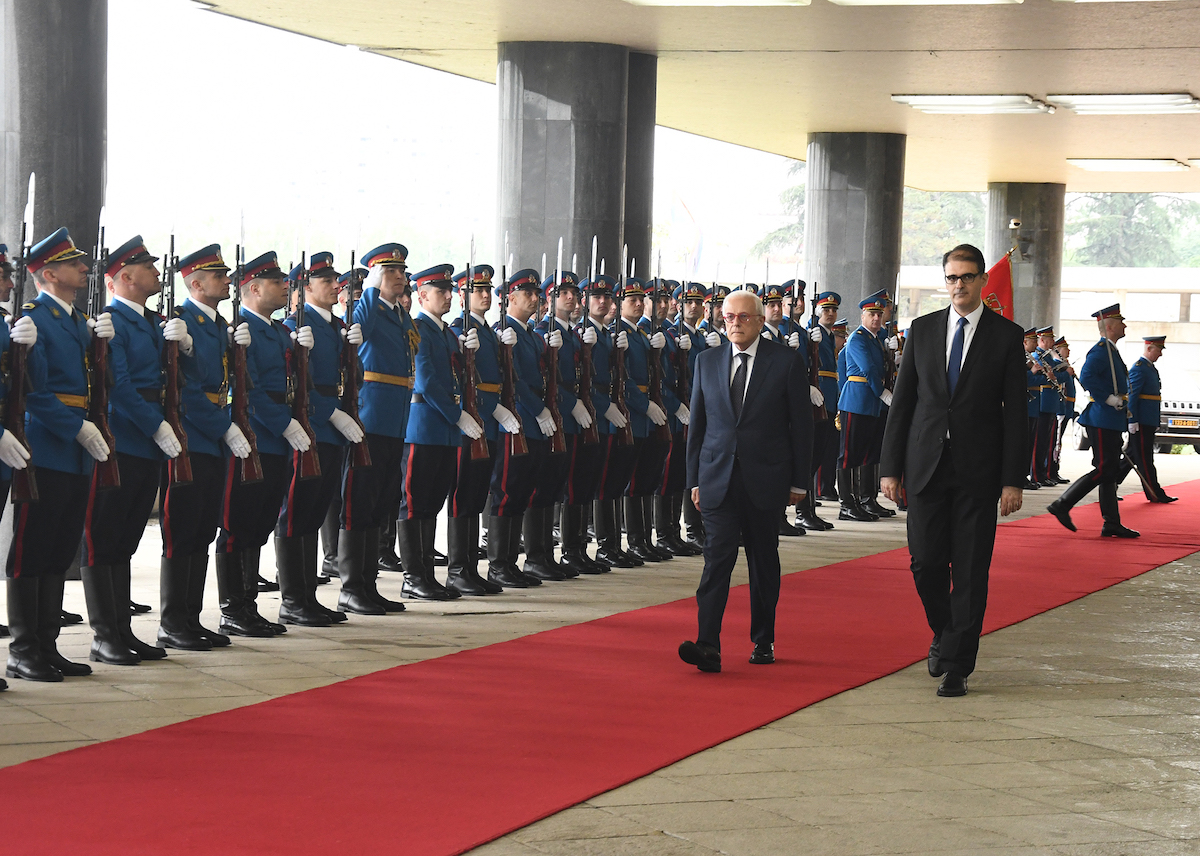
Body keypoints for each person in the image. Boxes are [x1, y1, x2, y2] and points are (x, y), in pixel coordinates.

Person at [880, 243, 1027, 698]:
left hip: (978, 473)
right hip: (925, 467)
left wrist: (1011, 479)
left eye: (966, 277)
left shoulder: (1006, 335)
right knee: (925, 564)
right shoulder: (922, 330)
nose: (958, 285)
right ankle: (945, 633)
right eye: (951, 277)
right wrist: (890, 468)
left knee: (968, 570)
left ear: (983, 280)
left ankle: (958, 666)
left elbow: (1016, 415)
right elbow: (903, 404)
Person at [678, 289, 812, 673]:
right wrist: (694, 482)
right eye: (728, 317)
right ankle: (707, 645)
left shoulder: (785, 362)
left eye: (742, 317)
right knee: (715, 563)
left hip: (766, 480)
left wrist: (799, 483)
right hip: (718, 479)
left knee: (763, 563)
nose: (734, 323)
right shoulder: (707, 361)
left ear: (757, 321)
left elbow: (801, 428)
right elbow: (698, 427)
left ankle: (763, 639)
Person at [7, 227, 114, 682]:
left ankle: (48, 643)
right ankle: (23, 648)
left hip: (75, 450)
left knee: (59, 548)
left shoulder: (75, 320)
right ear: (48, 273)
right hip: (48, 446)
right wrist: (78, 427)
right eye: (75, 265)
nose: (85, 269)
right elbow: (34, 392)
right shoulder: (35, 318)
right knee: (32, 548)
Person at [81, 236, 188, 666]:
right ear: (125, 277)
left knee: (125, 540)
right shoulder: (112, 321)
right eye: (149, 268)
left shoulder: (150, 321)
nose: (157, 273)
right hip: (121, 438)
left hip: (146, 441)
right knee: (102, 537)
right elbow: (119, 387)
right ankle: (104, 634)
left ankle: (122, 631)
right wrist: (156, 425)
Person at [215, 251, 314, 637]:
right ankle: (231, 608)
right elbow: (247, 390)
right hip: (253, 435)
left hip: (276, 437)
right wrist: (284, 424)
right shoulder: (242, 329)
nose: (285, 286)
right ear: (253, 288)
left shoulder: (275, 330)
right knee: (237, 523)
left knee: (259, 522)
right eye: (276, 282)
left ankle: (248, 605)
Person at [159, 245, 251, 651]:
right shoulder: (182, 322)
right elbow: (185, 390)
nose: (227, 281)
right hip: (191, 436)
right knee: (181, 531)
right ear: (195, 283)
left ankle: (191, 618)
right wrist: (223, 426)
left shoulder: (216, 325)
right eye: (218, 276)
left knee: (202, 531)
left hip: (213, 437)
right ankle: (172, 621)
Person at [274, 254, 363, 626]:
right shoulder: (297, 324)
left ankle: (308, 595)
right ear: (305, 287)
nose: (334, 285)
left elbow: (350, 378)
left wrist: (353, 351)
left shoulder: (337, 326)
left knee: (314, 511)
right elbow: (298, 383)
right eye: (325, 280)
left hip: (334, 427)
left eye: (334, 279)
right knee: (295, 512)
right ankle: (293, 598)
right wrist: (329, 412)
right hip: (310, 424)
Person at [336, 243, 414, 614]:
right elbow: (357, 324)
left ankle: (367, 584)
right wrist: (370, 287)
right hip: (370, 418)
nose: (399, 277)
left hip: (395, 419)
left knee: (381, 503)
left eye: (401, 272)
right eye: (391, 272)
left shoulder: (399, 315)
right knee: (359, 501)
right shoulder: (369, 307)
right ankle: (350, 587)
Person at [1047, 305, 1140, 539]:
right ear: (1109, 327)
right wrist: (1108, 398)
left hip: (1110, 419)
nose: (1125, 325)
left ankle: (1111, 522)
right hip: (1101, 418)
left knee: (1108, 471)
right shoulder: (1100, 351)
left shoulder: (1111, 351)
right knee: (1105, 468)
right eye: (1121, 322)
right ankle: (1063, 503)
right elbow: (1087, 376)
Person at [836, 292, 889, 522]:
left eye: (879, 314)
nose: (876, 318)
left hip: (870, 403)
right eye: (871, 314)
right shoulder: (858, 338)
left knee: (865, 453)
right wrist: (882, 393)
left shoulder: (875, 339)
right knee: (848, 455)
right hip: (857, 400)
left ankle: (862, 500)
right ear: (863, 315)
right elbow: (867, 368)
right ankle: (847, 503)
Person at [1125, 335, 1175, 503]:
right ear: (1149, 348)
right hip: (1141, 421)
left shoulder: (1149, 368)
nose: (1160, 354)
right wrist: (1132, 419)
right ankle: (1154, 492)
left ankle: (1110, 484)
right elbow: (1133, 395)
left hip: (1148, 420)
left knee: (1132, 456)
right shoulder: (1139, 368)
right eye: (1158, 349)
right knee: (1145, 458)